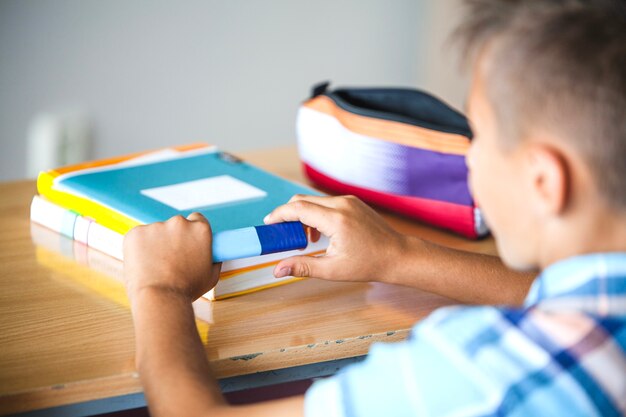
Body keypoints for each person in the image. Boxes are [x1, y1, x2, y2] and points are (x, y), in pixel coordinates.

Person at [123, 0, 626, 415]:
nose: (471, 158)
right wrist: (398, 255)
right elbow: (561, 296)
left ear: (543, 181)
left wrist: (159, 290)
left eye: (480, 136)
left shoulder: (480, 372)